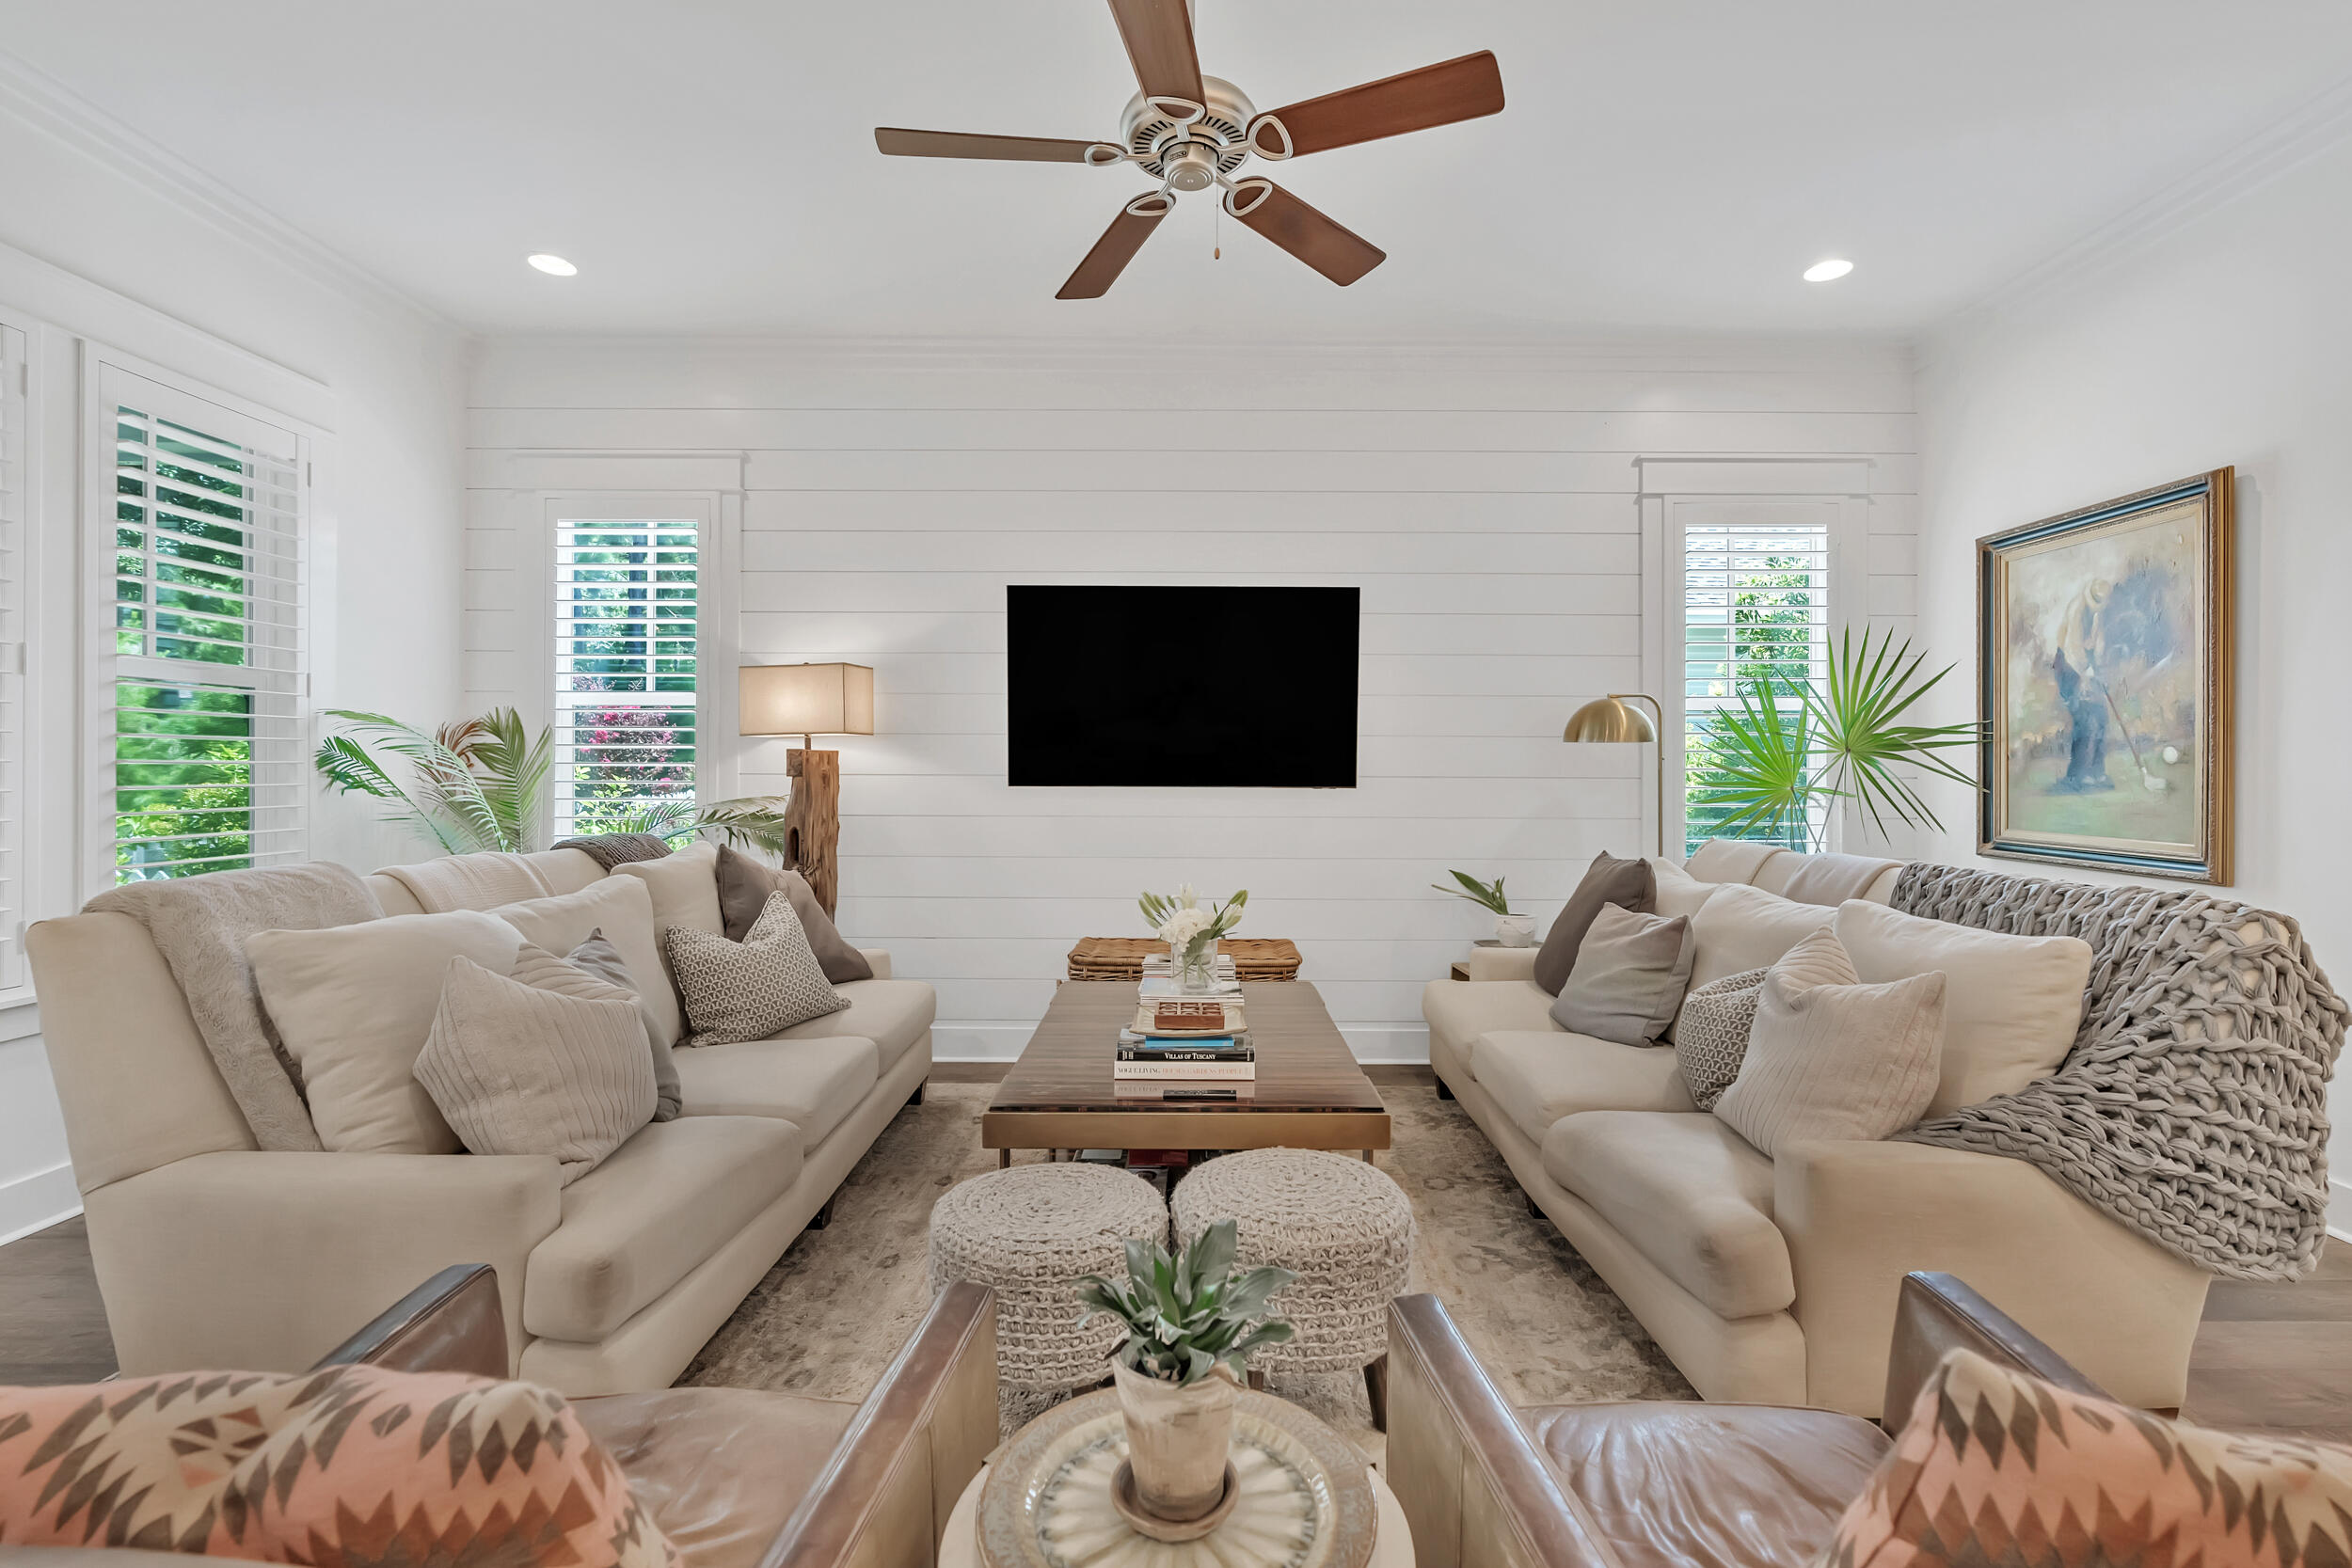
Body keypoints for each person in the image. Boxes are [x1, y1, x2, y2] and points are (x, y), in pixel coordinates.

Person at [2050, 578, 2113, 793]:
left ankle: (2097, 772)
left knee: (2101, 716)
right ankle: (2078, 774)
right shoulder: (2077, 609)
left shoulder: (2097, 613)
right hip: (2068, 667)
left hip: (2087, 665)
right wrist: (2086, 674)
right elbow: (2073, 649)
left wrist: (2099, 670)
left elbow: (2099, 643)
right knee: (2084, 720)